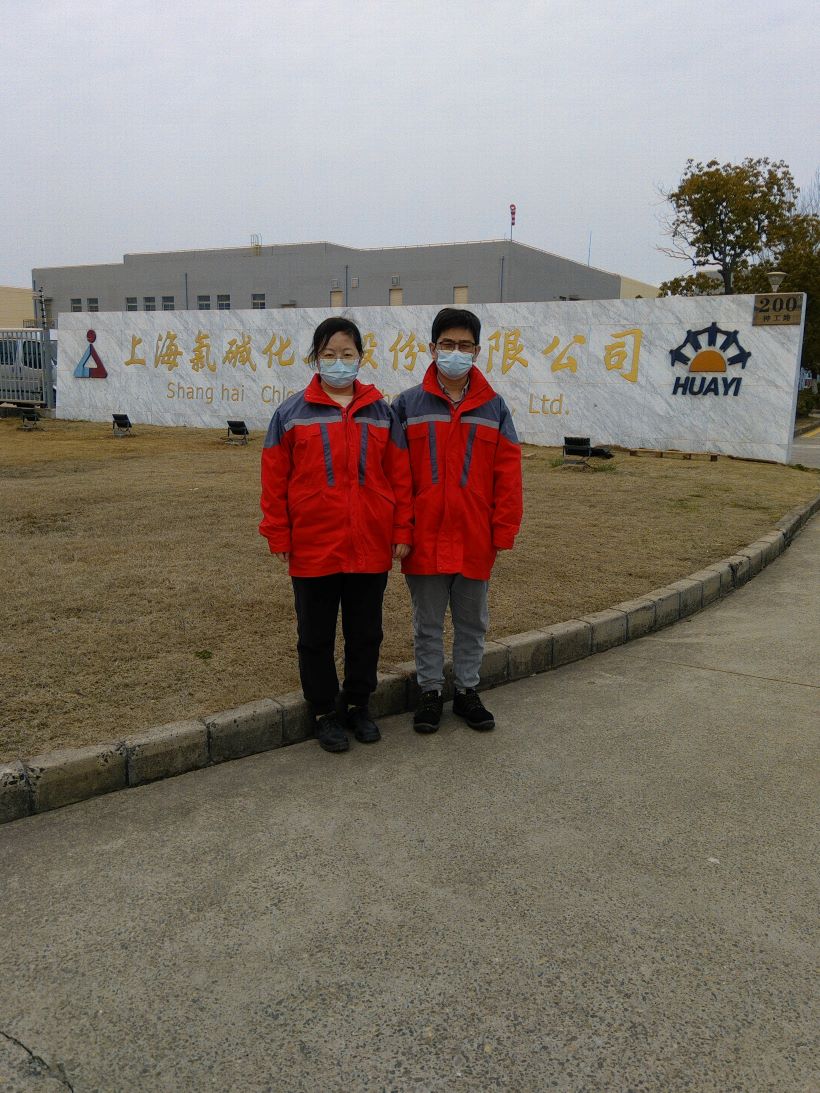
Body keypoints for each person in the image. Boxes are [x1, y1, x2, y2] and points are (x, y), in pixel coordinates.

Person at [259, 317, 413, 753]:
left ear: (360, 358)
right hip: (314, 546)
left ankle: (359, 704)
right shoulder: (290, 414)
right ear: (315, 358)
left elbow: (400, 477)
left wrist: (401, 528)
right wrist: (278, 534)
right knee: (316, 635)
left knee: (366, 633)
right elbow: (274, 480)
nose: (339, 363)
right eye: (329, 354)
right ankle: (324, 710)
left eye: (347, 354)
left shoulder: (381, 413)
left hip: (370, 544)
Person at [392, 307, 522, 733]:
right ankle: (430, 692)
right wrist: (401, 530)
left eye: (465, 345)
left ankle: (467, 691)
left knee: (472, 622)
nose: (455, 352)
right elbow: (395, 476)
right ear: (432, 348)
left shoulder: (494, 408)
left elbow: (508, 473)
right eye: (447, 344)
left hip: (473, 535)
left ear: (477, 352)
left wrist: (503, 529)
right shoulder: (406, 405)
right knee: (427, 624)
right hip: (424, 537)